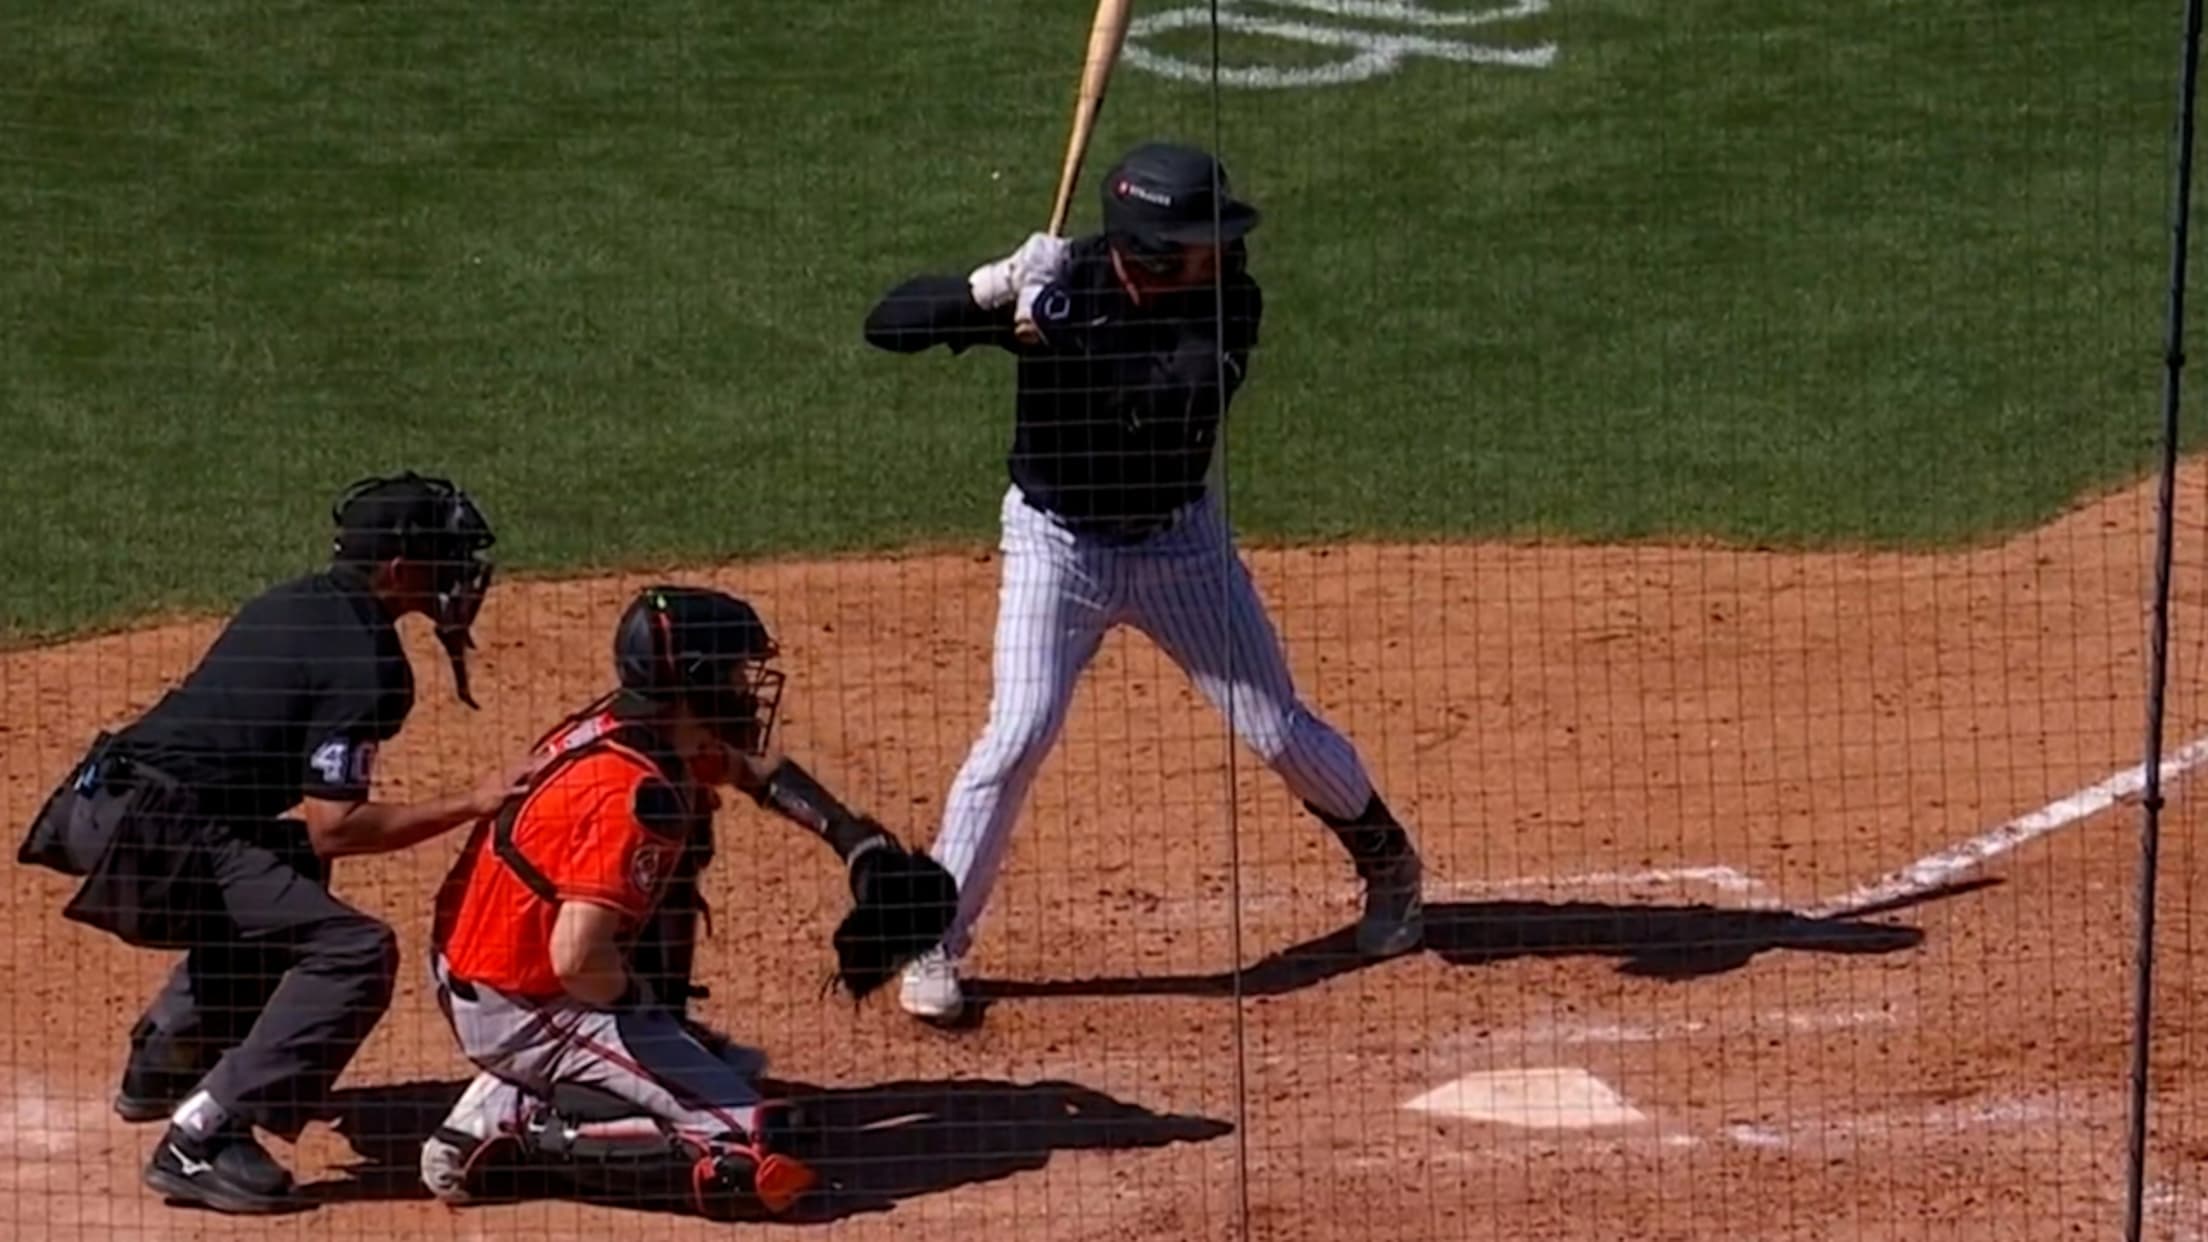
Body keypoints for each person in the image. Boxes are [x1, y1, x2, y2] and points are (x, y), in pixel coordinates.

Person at [860, 140, 1426, 1024]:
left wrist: (1057, 325)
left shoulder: (1228, 304)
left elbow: (1167, 400)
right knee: (1017, 732)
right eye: (1204, 239)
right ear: (1150, 252)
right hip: (1055, 548)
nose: (1226, 249)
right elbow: (887, 325)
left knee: (1275, 731)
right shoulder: (1064, 280)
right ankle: (935, 933)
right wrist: (989, 288)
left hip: (1179, 550)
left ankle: (1390, 862)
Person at [16, 470, 520, 1214]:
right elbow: (338, 823)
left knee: (291, 863)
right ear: (399, 570)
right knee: (354, 951)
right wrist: (471, 802)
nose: (461, 575)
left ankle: (167, 1058)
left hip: (100, 808)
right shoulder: (369, 661)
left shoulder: (292, 601)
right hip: (154, 839)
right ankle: (203, 1138)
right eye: (447, 558)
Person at [420, 584, 946, 1219]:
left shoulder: (632, 726)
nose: (747, 686)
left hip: (486, 957)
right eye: (731, 672)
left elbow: (751, 768)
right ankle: (515, 1119)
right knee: (754, 1149)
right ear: (695, 682)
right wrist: (642, 1016)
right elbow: (576, 958)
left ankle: (581, 1074)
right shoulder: (636, 794)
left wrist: (854, 842)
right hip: (525, 1000)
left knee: (686, 829)